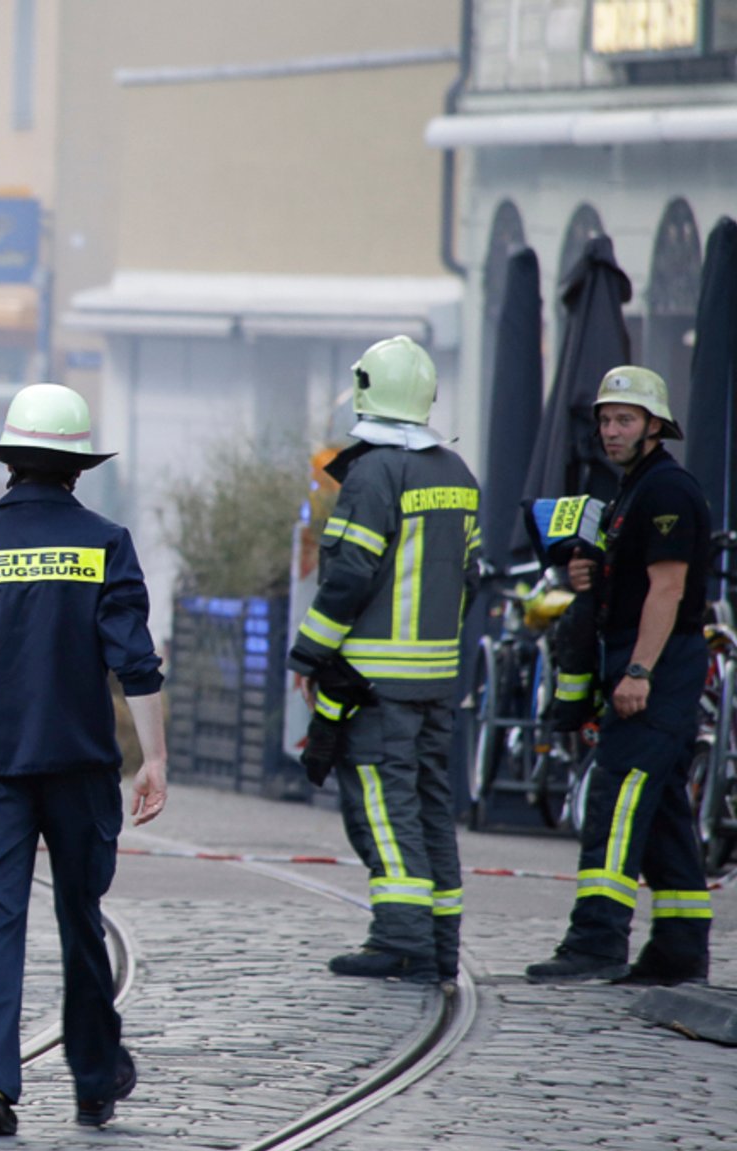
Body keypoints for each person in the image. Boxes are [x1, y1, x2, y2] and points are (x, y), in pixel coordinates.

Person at [0, 383, 169, 1137]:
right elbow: (135, 659)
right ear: (77, 469)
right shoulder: (107, 543)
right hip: (83, 765)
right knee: (81, 916)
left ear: (9, 464)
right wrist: (152, 759)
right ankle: (94, 1079)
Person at [287, 335, 479, 987]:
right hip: (434, 678)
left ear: (368, 388)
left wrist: (309, 652)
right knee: (429, 805)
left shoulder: (372, 472)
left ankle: (401, 939)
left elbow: (346, 575)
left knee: (381, 804)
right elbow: (471, 577)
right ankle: (439, 940)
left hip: (374, 680)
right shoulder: (456, 473)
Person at [526, 367, 715, 985]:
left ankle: (596, 941)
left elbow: (669, 588)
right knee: (660, 812)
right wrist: (589, 571)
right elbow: (631, 575)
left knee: (616, 798)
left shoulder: (666, 492)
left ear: (654, 426)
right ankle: (679, 951)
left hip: (657, 667)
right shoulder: (633, 489)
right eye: (606, 420)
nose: (611, 431)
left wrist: (638, 671)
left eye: (625, 420)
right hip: (646, 664)